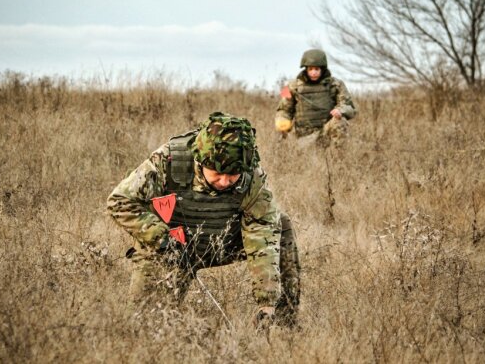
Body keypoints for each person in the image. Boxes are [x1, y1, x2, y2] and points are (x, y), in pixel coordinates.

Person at [107, 112, 300, 328]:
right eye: (217, 173)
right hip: (169, 247)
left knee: (280, 224)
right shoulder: (170, 159)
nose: (225, 181)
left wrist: (267, 302)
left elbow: (262, 233)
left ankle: (284, 323)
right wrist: (160, 238)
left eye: (233, 174)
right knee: (142, 325)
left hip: (222, 241)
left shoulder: (251, 175)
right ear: (201, 159)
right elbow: (120, 201)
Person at [275, 49, 357, 146]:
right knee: (281, 128)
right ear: (306, 69)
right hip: (304, 138)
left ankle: (339, 158)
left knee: (339, 121)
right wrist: (283, 121)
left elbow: (349, 107)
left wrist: (340, 111)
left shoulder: (336, 84)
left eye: (316, 69)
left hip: (327, 131)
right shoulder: (291, 86)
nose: (313, 72)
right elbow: (283, 109)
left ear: (322, 69)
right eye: (310, 69)